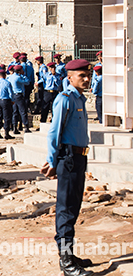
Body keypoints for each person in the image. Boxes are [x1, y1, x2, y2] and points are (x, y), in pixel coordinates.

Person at [42, 59, 94, 276]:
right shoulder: (65, 99)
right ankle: (65, 262)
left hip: (79, 158)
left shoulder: (79, 98)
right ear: (69, 77)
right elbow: (55, 132)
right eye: (82, 75)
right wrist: (52, 161)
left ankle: (70, 255)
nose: (87, 79)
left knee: (74, 207)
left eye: (88, 75)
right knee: (65, 209)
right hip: (69, 158)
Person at [8, 64, 31, 134]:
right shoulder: (18, 78)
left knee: (15, 112)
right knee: (23, 111)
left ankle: (14, 127)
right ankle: (26, 127)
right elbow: (27, 82)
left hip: (13, 95)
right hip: (19, 95)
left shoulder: (10, 77)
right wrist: (23, 75)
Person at [0, 68, 14, 140]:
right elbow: (11, 93)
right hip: (6, 100)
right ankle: (6, 133)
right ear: (5, 75)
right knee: (7, 117)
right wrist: (12, 100)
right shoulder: (7, 83)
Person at [40, 62, 60, 127]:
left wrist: (54, 77)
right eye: (51, 68)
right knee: (45, 107)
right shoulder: (46, 75)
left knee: (54, 107)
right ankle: (42, 122)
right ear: (49, 68)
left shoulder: (58, 75)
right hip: (47, 92)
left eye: (54, 67)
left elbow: (59, 84)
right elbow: (43, 81)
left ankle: (54, 122)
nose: (53, 69)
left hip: (54, 92)